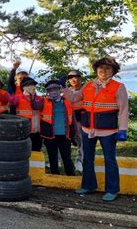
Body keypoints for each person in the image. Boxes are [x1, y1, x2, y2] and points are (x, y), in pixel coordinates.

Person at [63, 57, 129, 202]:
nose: (103, 71)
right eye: (101, 68)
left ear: (113, 71)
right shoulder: (88, 85)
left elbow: (124, 110)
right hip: (88, 130)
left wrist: (123, 129)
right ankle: (88, 185)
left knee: (110, 160)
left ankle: (112, 189)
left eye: (107, 69)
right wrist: (63, 88)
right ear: (96, 70)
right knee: (88, 159)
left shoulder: (118, 87)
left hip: (108, 131)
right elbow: (74, 98)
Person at [38, 80, 75, 176]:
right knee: (52, 157)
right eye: (50, 90)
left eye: (55, 89)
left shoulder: (67, 101)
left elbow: (72, 118)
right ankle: (55, 175)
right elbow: (35, 105)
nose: (53, 91)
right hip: (50, 135)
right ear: (47, 92)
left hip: (65, 135)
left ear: (60, 90)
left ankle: (71, 175)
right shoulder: (44, 101)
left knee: (66, 156)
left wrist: (73, 134)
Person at [9, 77, 43, 152]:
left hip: (37, 133)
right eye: (29, 85)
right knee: (23, 154)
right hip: (24, 133)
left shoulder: (40, 98)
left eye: (33, 85)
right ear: (23, 87)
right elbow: (11, 102)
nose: (32, 87)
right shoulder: (17, 98)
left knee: (36, 155)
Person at [67, 70, 84, 172]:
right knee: (65, 142)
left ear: (80, 78)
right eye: (70, 78)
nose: (73, 79)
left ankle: (80, 162)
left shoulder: (86, 91)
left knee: (82, 142)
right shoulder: (66, 92)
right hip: (68, 122)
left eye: (75, 77)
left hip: (82, 121)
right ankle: (61, 161)